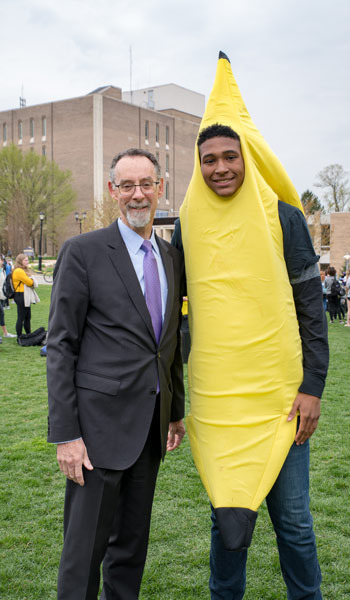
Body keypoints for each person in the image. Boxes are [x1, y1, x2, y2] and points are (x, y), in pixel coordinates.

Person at [173, 123, 328, 599]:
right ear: (199, 168)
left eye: (229, 157)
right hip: (220, 408)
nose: (220, 167)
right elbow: (178, 317)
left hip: (279, 405)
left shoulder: (284, 218)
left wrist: (312, 387)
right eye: (209, 159)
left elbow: (311, 309)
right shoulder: (186, 224)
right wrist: (176, 398)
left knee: (294, 524)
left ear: (248, 160)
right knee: (227, 523)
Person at [47, 148, 185, 600]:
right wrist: (66, 434)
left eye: (146, 184)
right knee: (83, 556)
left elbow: (167, 344)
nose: (137, 194)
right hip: (96, 436)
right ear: (113, 192)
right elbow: (61, 346)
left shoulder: (171, 258)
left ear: (160, 188)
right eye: (127, 185)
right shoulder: (83, 252)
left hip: (149, 431)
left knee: (130, 553)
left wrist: (175, 412)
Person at [12, 254, 36, 338]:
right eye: (25, 260)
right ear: (20, 261)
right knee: (21, 317)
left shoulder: (22, 270)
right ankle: (19, 336)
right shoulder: (19, 271)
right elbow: (30, 282)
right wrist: (32, 280)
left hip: (24, 295)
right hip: (21, 295)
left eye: (27, 260)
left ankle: (28, 334)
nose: (27, 262)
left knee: (27, 317)